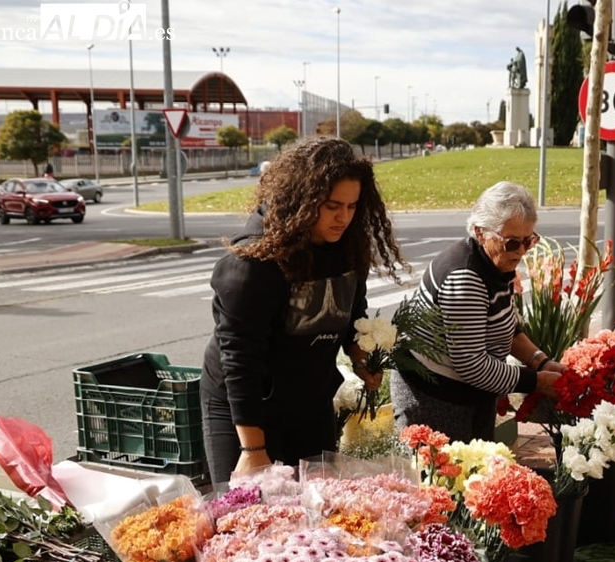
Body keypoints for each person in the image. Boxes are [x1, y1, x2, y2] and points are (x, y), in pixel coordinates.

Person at [200, 137, 404, 484]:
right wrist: (252, 451)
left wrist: (357, 354)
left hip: (309, 402)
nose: (344, 217)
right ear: (301, 200)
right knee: (248, 516)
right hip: (246, 408)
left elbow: (352, 311)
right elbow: (240, 360)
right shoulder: (253, 262)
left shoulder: (347, 247)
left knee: (314, 510)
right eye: (331, 206)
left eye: (352, 206)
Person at [391, 181, 561, 442]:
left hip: (471, 392)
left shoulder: (496, 263)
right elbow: (471, 364)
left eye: (529, 240)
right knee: (448, 477)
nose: (522, 251)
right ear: (481, 233)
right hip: (435, 398)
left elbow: (507, 325)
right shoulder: (465, 277)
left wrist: (542, 361)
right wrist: (535, 381)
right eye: (512, 242)